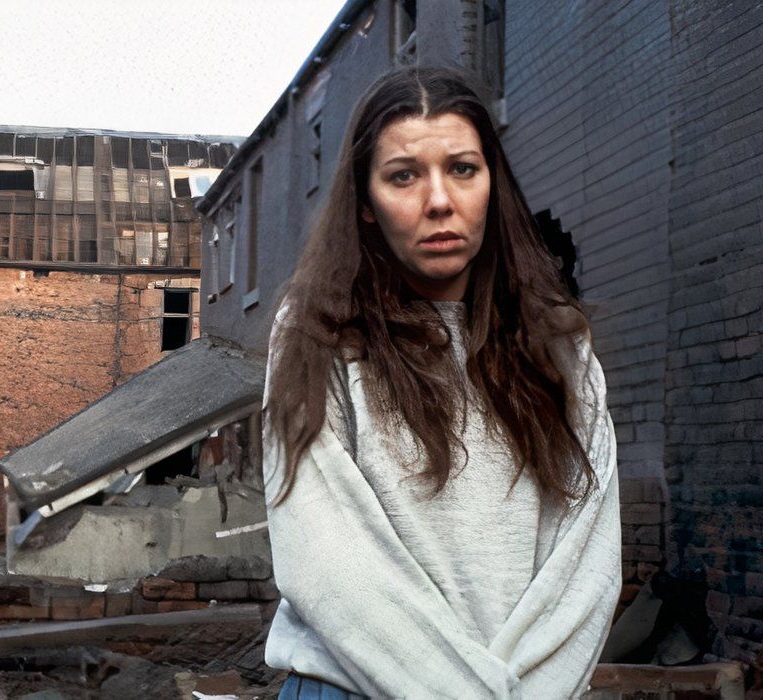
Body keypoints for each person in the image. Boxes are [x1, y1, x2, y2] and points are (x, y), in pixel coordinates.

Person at [262, 66, 621, 699]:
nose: (438, 200)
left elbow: (586, 564)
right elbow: (327, 564)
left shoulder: (559, 343)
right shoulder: (321, 332)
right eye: (403, 175)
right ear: (366, 205)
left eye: (462, 168)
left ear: (492, 184)